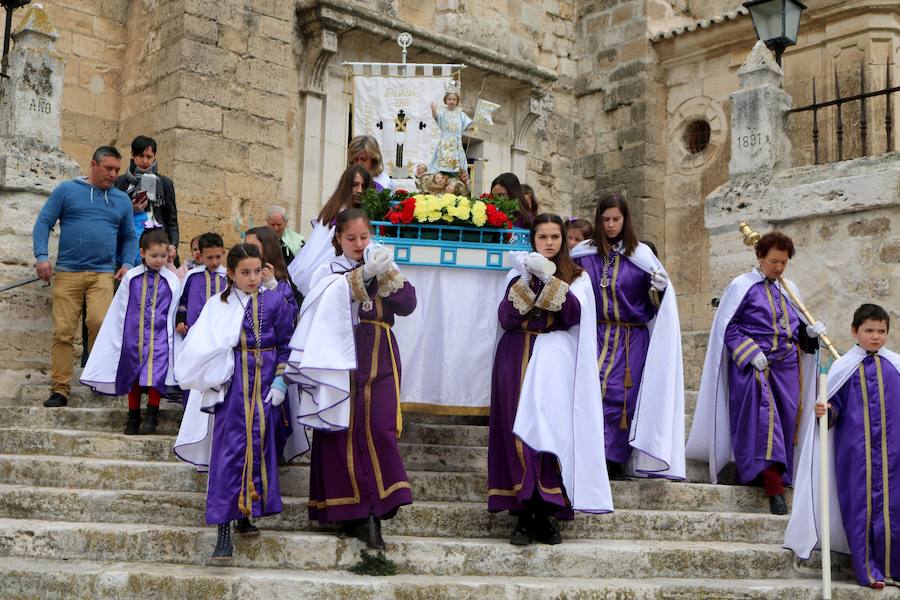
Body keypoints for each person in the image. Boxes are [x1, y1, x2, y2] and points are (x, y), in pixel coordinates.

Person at [285, 209, 416, 550]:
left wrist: (382, 272)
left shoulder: (386, 264)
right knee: (341, 431)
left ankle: (378, 505)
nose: (359, 244)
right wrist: (363, 279)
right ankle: (354, 512)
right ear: (338, 240)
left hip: (380, 354)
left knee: (379, 426)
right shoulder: (328, 272)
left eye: (364, 237)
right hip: (340, 359)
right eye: (351, 238)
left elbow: (407, 304)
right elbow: (328, 303)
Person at [489, 214, 612, 546]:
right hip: (515, 358)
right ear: (533, 239)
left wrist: (552, 281)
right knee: (517, 430)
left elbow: (574, 316)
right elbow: (506, 317)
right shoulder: (518, 274)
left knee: (549, 430)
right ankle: (521, 512)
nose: (549, 243)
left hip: (554, 362)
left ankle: (547, 509)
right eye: (542, 236)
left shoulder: (578, 278)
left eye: (555, 237)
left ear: (563, 240)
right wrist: (530, 282)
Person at [173, 243, 297, 564]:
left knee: (257, 453)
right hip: (231, 392)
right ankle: (223, 530)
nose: (253, 278)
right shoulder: (219, 305)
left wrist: (282, 381)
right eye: (245, 272)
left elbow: (287, 343)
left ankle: (246, 514)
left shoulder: (274, 301)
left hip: (265, 392)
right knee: (228, 455)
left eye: (258, 271)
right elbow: (203, 344)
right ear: (231, 273)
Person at [686, 231, 825, 515]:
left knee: (785, 422)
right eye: (774, 261)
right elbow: (728, 327)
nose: (778, 267)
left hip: (786, 367)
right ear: (760, 257)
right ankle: (772, 487)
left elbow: (797, 329)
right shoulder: (742, 286)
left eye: (784, 262)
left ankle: (774, 476)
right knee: (762, 424)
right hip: (753, 368)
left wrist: (809, 334)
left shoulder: (790, 289)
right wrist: (750, 353)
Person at [571, 192, 686, 481]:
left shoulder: (641, 257)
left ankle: (613, 459)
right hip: (594, 333)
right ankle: (587, 453)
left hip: (630, 337)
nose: (611, 225)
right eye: (606, 219)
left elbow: (655, 310)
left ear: (626, 220)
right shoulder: (584, 254)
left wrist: (658, 290)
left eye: (616, 219)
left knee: (622, 397)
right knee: (590, 390)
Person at [785, 304, 900, 589]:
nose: (875, 337)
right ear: (855, 331)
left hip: (892, 453)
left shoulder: (895, 367)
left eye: (881, 331)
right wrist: (826, 410)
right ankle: (868, 571)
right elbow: (834, 405)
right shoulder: (843, 367)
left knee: (893, 509)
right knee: (859, 509)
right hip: (856, 454)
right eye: (869, 331)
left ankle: (893, 569)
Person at [32, 146, 138, 408]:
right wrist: (41, 256)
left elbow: (129, 236)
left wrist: (126, 263)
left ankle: (98, 377)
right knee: (63, 332)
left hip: (103, 274)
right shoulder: (67, 191)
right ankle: (60, 389)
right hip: (68, 272)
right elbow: (44, 221)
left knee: (100, 323)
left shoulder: (122, 200)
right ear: (93, 164)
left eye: (117, 170)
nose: (114, 174)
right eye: (109, 168)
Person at [80, 229, 180, 434]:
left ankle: (152, 415)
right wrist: (118, 339)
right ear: (142, 253)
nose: (158, 261)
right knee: (132, 376)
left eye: (162, 256)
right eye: (154, 256)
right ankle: (133, 415)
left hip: (160, 339)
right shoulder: (131, 278)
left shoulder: (171, 280)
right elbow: (120, 309)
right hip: (133, 338)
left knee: (156, 376)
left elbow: (174, 310)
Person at [288, 165, 371, 297]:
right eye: (355, 184)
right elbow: (326, 249)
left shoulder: (339, 207)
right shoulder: (339, 211)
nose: (359, 190)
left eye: (363, 186)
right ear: (346, 185)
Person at [114, 135, 179, 265]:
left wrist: (173, 245)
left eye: (149, 157)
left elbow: (171, 220)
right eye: (140, 156)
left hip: (158, 246)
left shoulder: (164, 183)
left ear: (154, 156)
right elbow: (112, 214)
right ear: (132, 155)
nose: (145, 161)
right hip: (127, 244)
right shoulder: (120, 182)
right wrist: (132, 210)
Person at [175, 233, 226, 338]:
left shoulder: (228, 278)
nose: (214, 261)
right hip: (193, 333)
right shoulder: (192, 276)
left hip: (220, 334)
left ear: (223, 252)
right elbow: (184, 302)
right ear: (201, 255)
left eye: (218, 256)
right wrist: (180, 320)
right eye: (209, 257)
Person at [428, 81, 472, 175]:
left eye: (454, 99)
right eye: (449, 99)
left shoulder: (461, 114)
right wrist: (433, 110)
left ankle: (457, 175)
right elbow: (436, 117)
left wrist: (473, 127)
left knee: (457, 162)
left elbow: (468, 125)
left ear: (457, 101)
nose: (452, 101)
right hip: (445, 142)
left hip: (456, 143)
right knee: (442, 161)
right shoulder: (442, 113)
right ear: (446, 101)